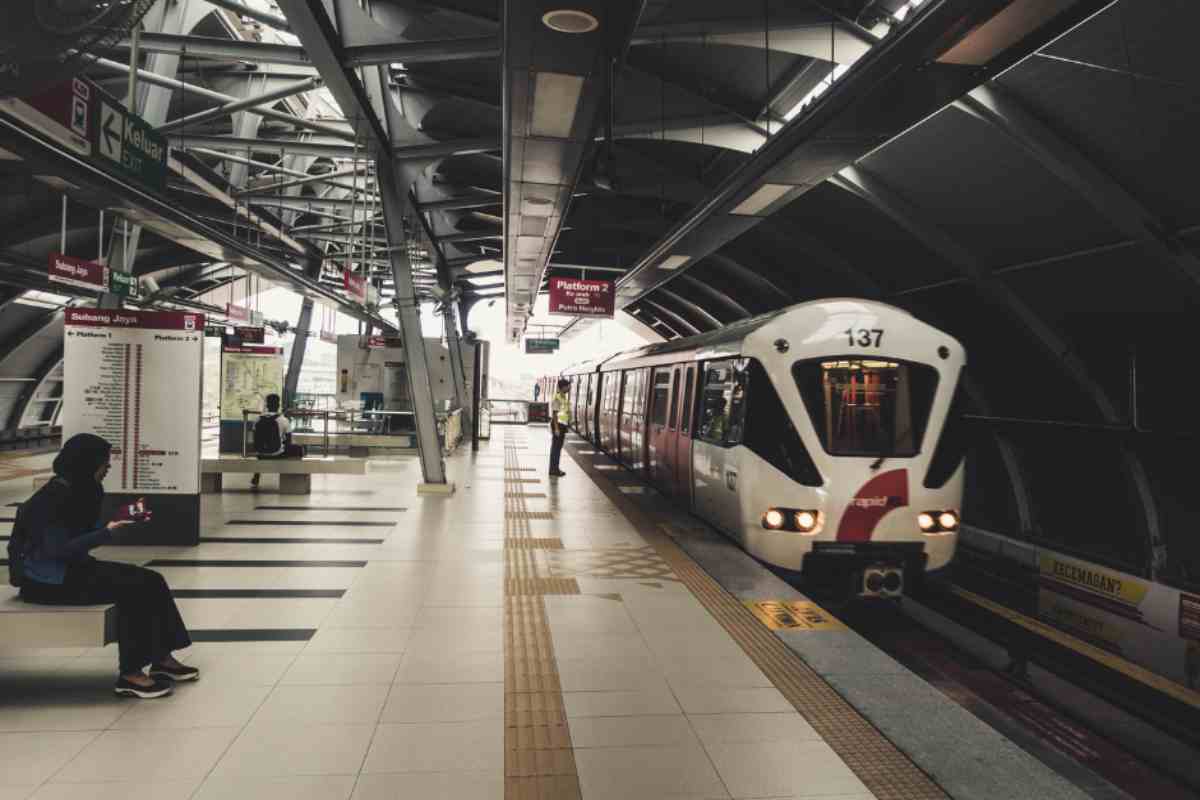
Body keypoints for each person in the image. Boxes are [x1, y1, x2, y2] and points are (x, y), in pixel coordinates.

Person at [13, 434, 196, 699]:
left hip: (70, 570)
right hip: (45, 582)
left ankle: (161, 657)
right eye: (103, 462)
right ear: (86, 463)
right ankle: (130, 674)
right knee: (132, 589)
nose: (108, 467)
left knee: (152, 579)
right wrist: (106, 532)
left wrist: (119, 520)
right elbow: (56, 551)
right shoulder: (49, 500)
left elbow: (80, 536)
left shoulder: (80, 491)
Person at [250, 393, 304, 489]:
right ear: (278, 405)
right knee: (300, 449)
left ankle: (257, 475)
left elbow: (254, 439)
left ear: (267, 405)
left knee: (263, 448)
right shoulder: (283, 420)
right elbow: (289, 441)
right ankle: (291, 476)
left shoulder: (257, 420)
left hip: (260, 454)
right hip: (276, 453)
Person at [549, 378, 570, 477]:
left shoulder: (563, 397)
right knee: (556, 448)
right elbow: (555, 414)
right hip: (558, 426)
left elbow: (564, 412)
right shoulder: (557, 398)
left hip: (562, 425)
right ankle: (554, 470)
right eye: (568, 386)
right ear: (563, 387)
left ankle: (555, 468)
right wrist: (556, 428)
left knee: (558, 448)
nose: (569, 388)